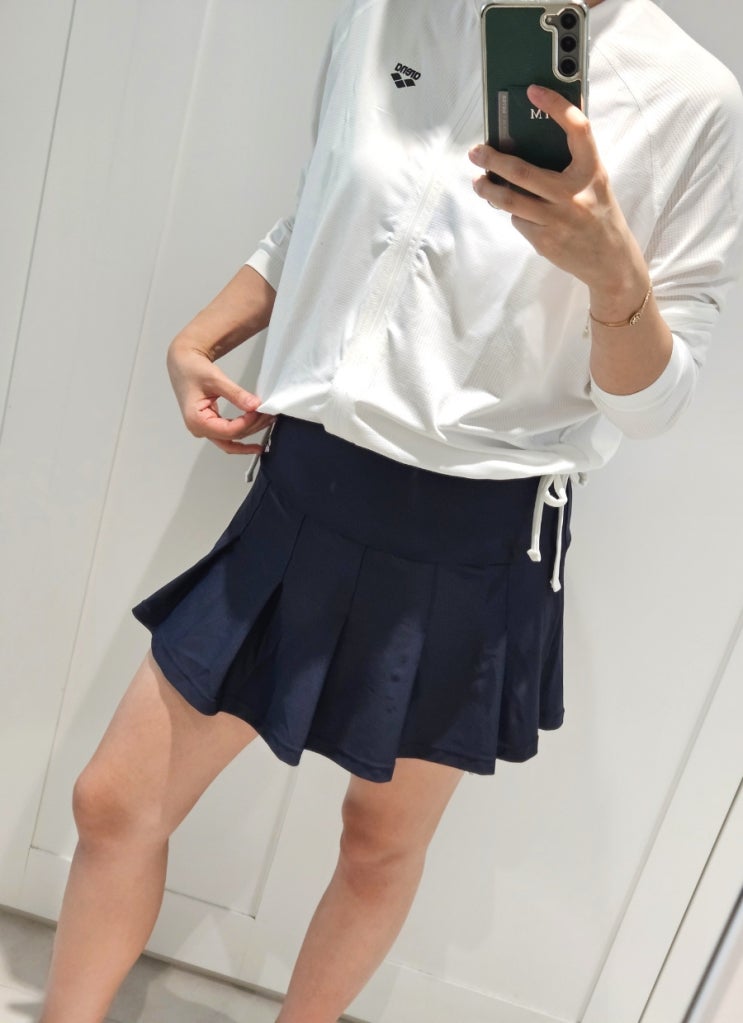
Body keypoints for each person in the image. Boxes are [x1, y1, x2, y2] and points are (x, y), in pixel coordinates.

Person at [40, 1, 743, 1021]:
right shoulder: (386, 14)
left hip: (476, 533)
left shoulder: (690, 99)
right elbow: (324, 215)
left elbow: (653, 405)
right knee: (114, 801)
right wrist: (201, 335)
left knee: (377, 843)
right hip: (305, 486)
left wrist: (611, 276)